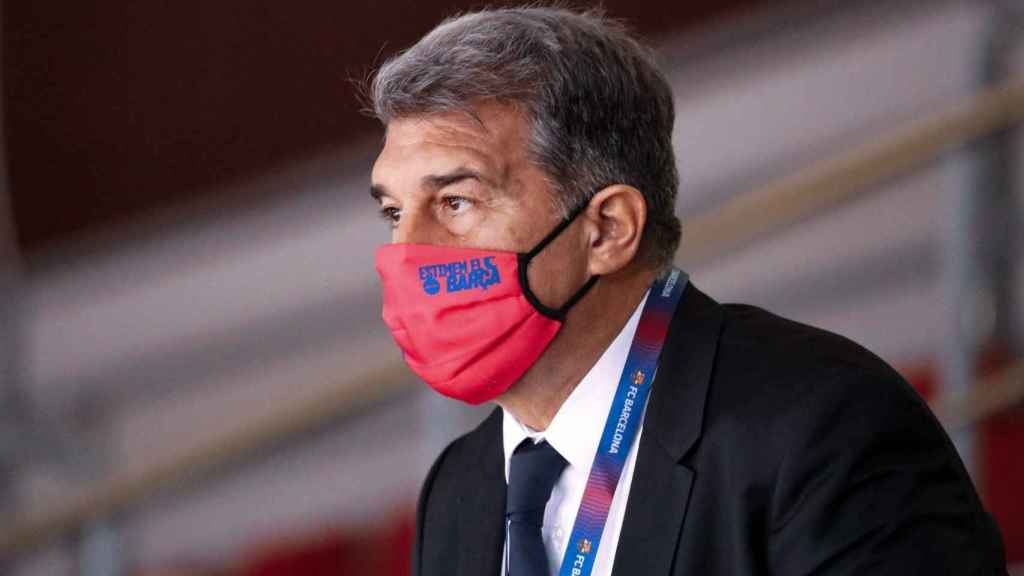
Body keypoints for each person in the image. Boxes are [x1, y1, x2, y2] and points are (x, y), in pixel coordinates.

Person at [366, 6, 1007, 575]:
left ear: (608, 229)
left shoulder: (824, 426)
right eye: (395, 212)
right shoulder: (459, 490)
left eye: (456, 201)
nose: (406, 254)